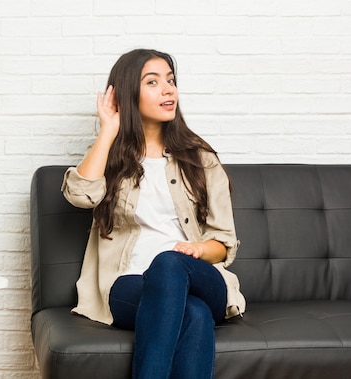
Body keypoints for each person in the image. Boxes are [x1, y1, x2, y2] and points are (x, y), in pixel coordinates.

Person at [61, 49, 246, 379]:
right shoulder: (112, 159)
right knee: (195, 315)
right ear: (129, 93)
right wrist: (108, 130)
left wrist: (199, 250)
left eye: (171, 81)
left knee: (170, 262)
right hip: (129, 284)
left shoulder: (201, 159)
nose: (168, 90)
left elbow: (224, 243)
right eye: (153, 82)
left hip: (198, 276)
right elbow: (81, 195)